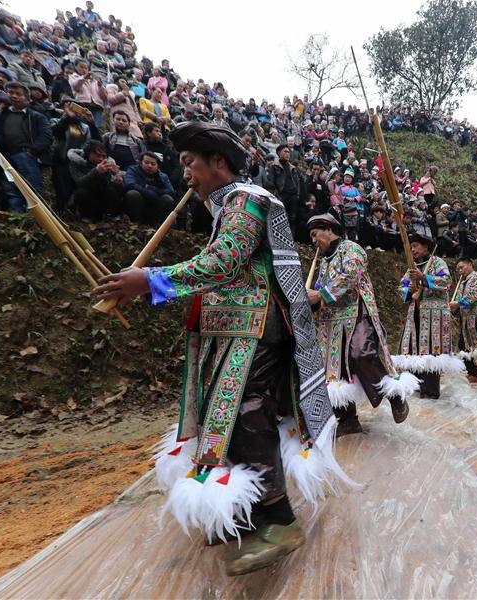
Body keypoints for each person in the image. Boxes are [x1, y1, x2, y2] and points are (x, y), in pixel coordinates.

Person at [91, 121, 341, 576]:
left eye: (190, 163)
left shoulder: (246, 202)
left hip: (258, 329)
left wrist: (151, 279)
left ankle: (279, 518)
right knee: (221, 415)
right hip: (231, 330)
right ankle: (243, 511)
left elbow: (224, 262)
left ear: (219, 163)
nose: (184, 175)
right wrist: (148, 287)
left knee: (248, 413)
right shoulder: (227, 207)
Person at [306, 214, 417, 436]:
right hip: (331, 323)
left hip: (356, 312)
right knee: (334, 373)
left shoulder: (352, 249)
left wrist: (318, 295)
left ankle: (394, 395)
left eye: (314, 234)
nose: (313, 241)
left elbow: (350, 274)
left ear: (328, 229)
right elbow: (318, 289)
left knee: (362, 354)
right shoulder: (325, 261)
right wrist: (310, 300)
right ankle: (347, 419)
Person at [394, 233, 463, 398]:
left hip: (434, 315)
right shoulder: (412, 267)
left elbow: (446, 281)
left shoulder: (437, 262)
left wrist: (423, 277)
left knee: (432, 350)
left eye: (416, 246)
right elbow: (401, 287)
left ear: (425, 246)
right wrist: (408, 290)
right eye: (411, 247)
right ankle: (415, 385)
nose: (413, 250)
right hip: (416, 313)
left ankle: (430, 391)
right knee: (414, 348)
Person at [0, 81, 52, 212]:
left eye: (18, 94)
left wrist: (33, 151)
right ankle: (16, 214)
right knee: (10, 187)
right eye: (11, 93)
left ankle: (37, 217)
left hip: (26, 155)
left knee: (31, 187)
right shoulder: (1, 115)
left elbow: (46, 136)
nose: (14, 96)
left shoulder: (37, 116)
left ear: (27, 98)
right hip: (6, 156)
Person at [68, 140, 124, 220]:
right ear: (88, 153)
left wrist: (116, 176)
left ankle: (112, 214)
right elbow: (80, 183)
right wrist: (96, 171)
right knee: (82, 192)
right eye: (97, 155)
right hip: (85, 194)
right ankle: (86, 216)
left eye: (103, 156)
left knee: (115, 187)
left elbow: (107, 184)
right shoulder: (76, 162)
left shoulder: (108, 163)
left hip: (102, 194)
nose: (101, 159)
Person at [122, 152, 175, 225]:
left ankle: (158, 225)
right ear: (141, 163)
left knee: (167, 199)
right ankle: (134, 223)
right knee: (132, 194)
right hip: (138, 203)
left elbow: (171, 191)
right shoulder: (132, 170)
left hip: (155, 206)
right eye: (146, 162)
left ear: (157, 166)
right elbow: (129, 184)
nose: (149, 166)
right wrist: (148, 192)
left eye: (153, 164)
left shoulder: (163, 176)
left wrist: (153, 189)